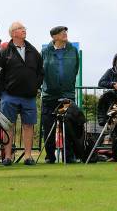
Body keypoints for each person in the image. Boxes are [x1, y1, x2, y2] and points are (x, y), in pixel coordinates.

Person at [0, 22, 44, 166]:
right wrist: (2, 91)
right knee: (8, 125)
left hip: (29, 96)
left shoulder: (33, 51)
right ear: (13, 33)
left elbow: (40, 72)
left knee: (28, 125)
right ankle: (7, 156)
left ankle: (28, 156)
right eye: (20, 28)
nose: (24, 30)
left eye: (24, 28)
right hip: (9, 95)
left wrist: (35, 87)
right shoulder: (5, 52)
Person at [40, 26, 79, 163]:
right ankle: (49, 156)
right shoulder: (45, 51)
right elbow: (41, 71)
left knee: (69, 125)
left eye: (65, 32)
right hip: (49, 95)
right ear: (54, 37)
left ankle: (69, 156)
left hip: (67, 94)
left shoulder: (73, 50)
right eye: (61, 32)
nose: (65, 34)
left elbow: (75, 69)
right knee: (48, 125)